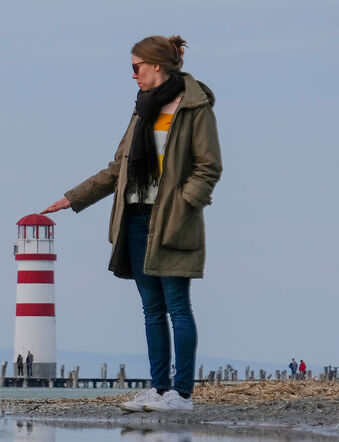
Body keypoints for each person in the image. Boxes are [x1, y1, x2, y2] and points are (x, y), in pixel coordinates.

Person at [43, 35, 221, 413]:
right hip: (135, 218)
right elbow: (118, 168)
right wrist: (74, 198)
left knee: (178, 306)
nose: (133, 75)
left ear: (157, 65)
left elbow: (208, 167)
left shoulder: (196, 107)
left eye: (136, 67)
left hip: (173, 220)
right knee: (151, 308)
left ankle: (182, 395)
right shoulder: (142, 109)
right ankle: (159, 390)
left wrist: (184, 203)